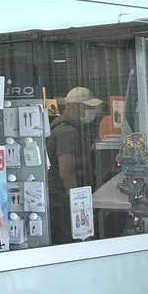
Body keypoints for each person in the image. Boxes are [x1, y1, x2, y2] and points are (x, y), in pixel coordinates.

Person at [47, 87, 102, 244]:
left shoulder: (64, 128)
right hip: (66, 202)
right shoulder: (67, 132)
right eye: (87, 106)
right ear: (72, 106)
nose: (91, 111)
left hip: (62, 199)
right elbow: (66, 170)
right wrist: (78, 205)